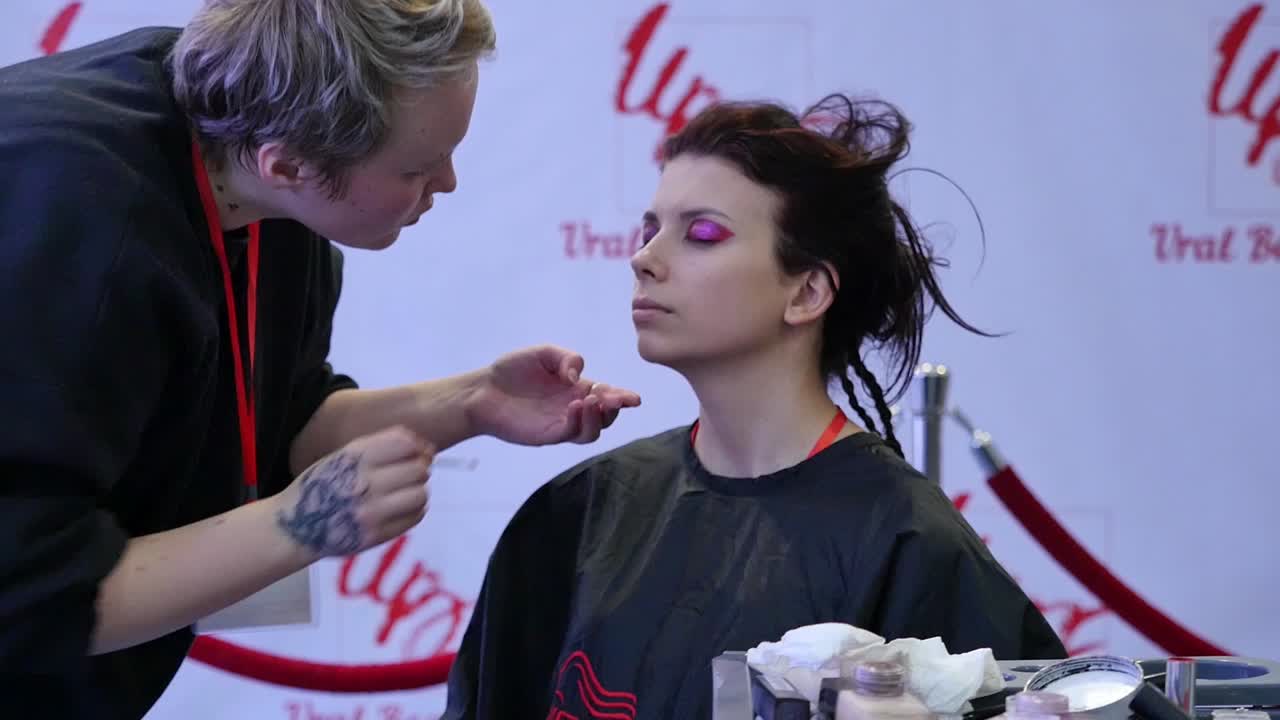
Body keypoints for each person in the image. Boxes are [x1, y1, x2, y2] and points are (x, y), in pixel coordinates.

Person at [0, 1, 640, 718]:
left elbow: (286, 419)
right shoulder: (77, 236)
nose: (447, 184)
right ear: (290, 163)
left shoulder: (249, 149)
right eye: (419, 167)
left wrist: (472, 402)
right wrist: (295, 526)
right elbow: (29, 592)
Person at [443, 94, 1068, 719]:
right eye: (649, 230)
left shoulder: (907, 543)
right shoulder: (578, 514)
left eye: (703, 234)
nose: (644, 259)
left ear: (807, 291)